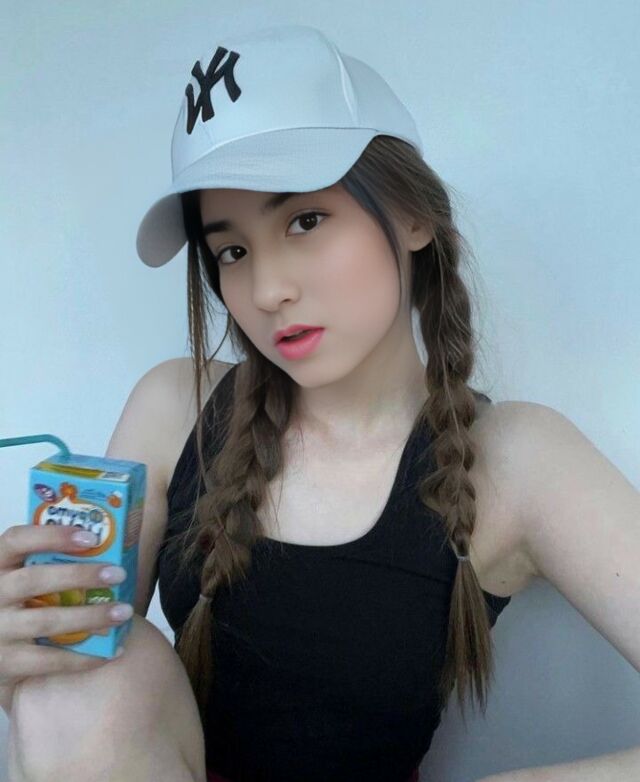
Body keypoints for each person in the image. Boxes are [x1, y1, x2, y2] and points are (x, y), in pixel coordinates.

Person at [5, 21, 638, 782]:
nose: (268, 290)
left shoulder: (514, 458)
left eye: (305, 220)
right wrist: (20, 655)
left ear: (413, 215)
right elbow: (77, 703)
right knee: (74, 674)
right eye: (232, 250)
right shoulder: (175, 407)